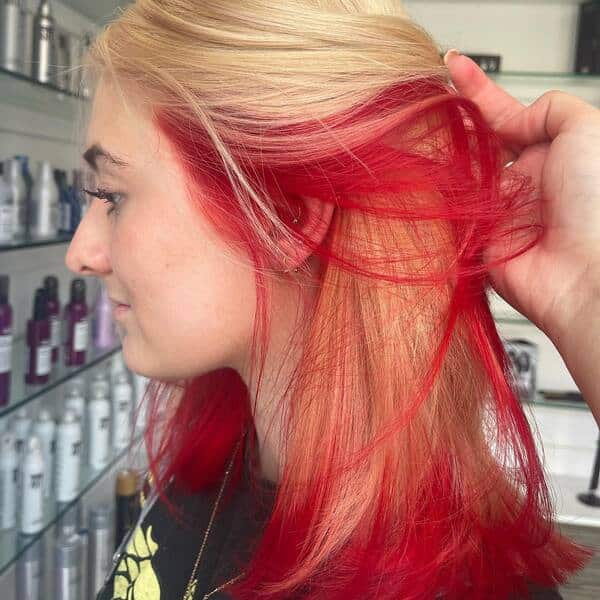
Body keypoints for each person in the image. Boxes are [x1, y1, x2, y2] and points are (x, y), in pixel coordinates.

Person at [65, 2, 600, 599]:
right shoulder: (219, 459)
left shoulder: (463, 587)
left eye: (110, 194)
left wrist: (588, 303)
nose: (82, 253)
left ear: (288, 218)